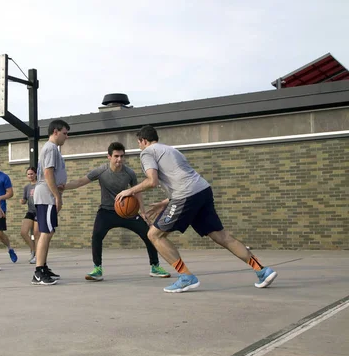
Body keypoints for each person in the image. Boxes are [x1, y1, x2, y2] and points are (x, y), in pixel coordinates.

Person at [115, 125, 278, 293]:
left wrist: (130, 190)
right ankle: (263, 271)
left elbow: (152, 181)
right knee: (222, 236)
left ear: (143, 140)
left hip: (185, 195)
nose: (139, 146)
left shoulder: (147, 152)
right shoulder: (172, 150)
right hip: (202, 191)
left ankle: (186, 277)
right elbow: (183, 178)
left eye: (139, 143)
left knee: (154, 235)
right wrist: (166, 202)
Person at [63, 142, 170, 281]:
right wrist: (62, 187)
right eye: (116, 156)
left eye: (122, 156)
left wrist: (142, 212)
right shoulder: (101, 171)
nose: (119, 159)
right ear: (109, 156)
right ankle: (97, 268)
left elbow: (137, 192)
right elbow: (80, 182)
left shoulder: (129, 173)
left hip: (127, 211)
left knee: (148, 234)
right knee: (96, 236)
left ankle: (155, 266)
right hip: (106, 211)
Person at [32, 119, 70, 285]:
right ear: (55, 131)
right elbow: (48, 173)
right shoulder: (50, 148)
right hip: (46, 195)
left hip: (48, 194)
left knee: (49, 232)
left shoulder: (53, 149)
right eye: (65, 133)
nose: (66, 137)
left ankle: (43, 267)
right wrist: (57, 195)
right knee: (45, 233)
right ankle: (39, 272)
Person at [20, 166, 40, 264]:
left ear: (36, 174)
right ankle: (33, 250)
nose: (30, 176)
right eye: (28, 174)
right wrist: (22, 201)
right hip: (30, 211)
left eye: (32, 174)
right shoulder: (27, 187)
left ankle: (37, 256)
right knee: (23, 232)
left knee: (36, 234)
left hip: (39, 211)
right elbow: (25, 199)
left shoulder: (40, 185)